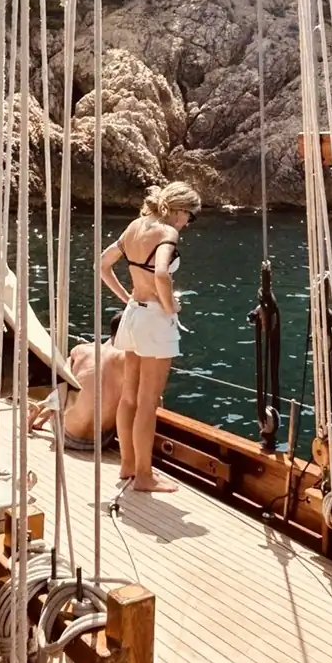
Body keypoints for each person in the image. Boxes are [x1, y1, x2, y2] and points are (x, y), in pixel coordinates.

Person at [99, 180, 201, 493]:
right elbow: (160, 274)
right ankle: (144, 475)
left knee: (129, 395)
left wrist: (125, 298)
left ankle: (127, 464)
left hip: (133, 314)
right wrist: (172, 308)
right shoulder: (168, 233)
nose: (188, 223)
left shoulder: (135, 226)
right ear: (179, 210)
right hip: (155, 320)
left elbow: (103, 264)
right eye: (190, 216)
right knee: (148, 401)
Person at [28, 314, 125, 449]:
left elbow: (61, 390)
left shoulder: (82, 350)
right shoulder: (129, 361)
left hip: (64, 434)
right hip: (101, 442)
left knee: (66, 382)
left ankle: (42, 413)